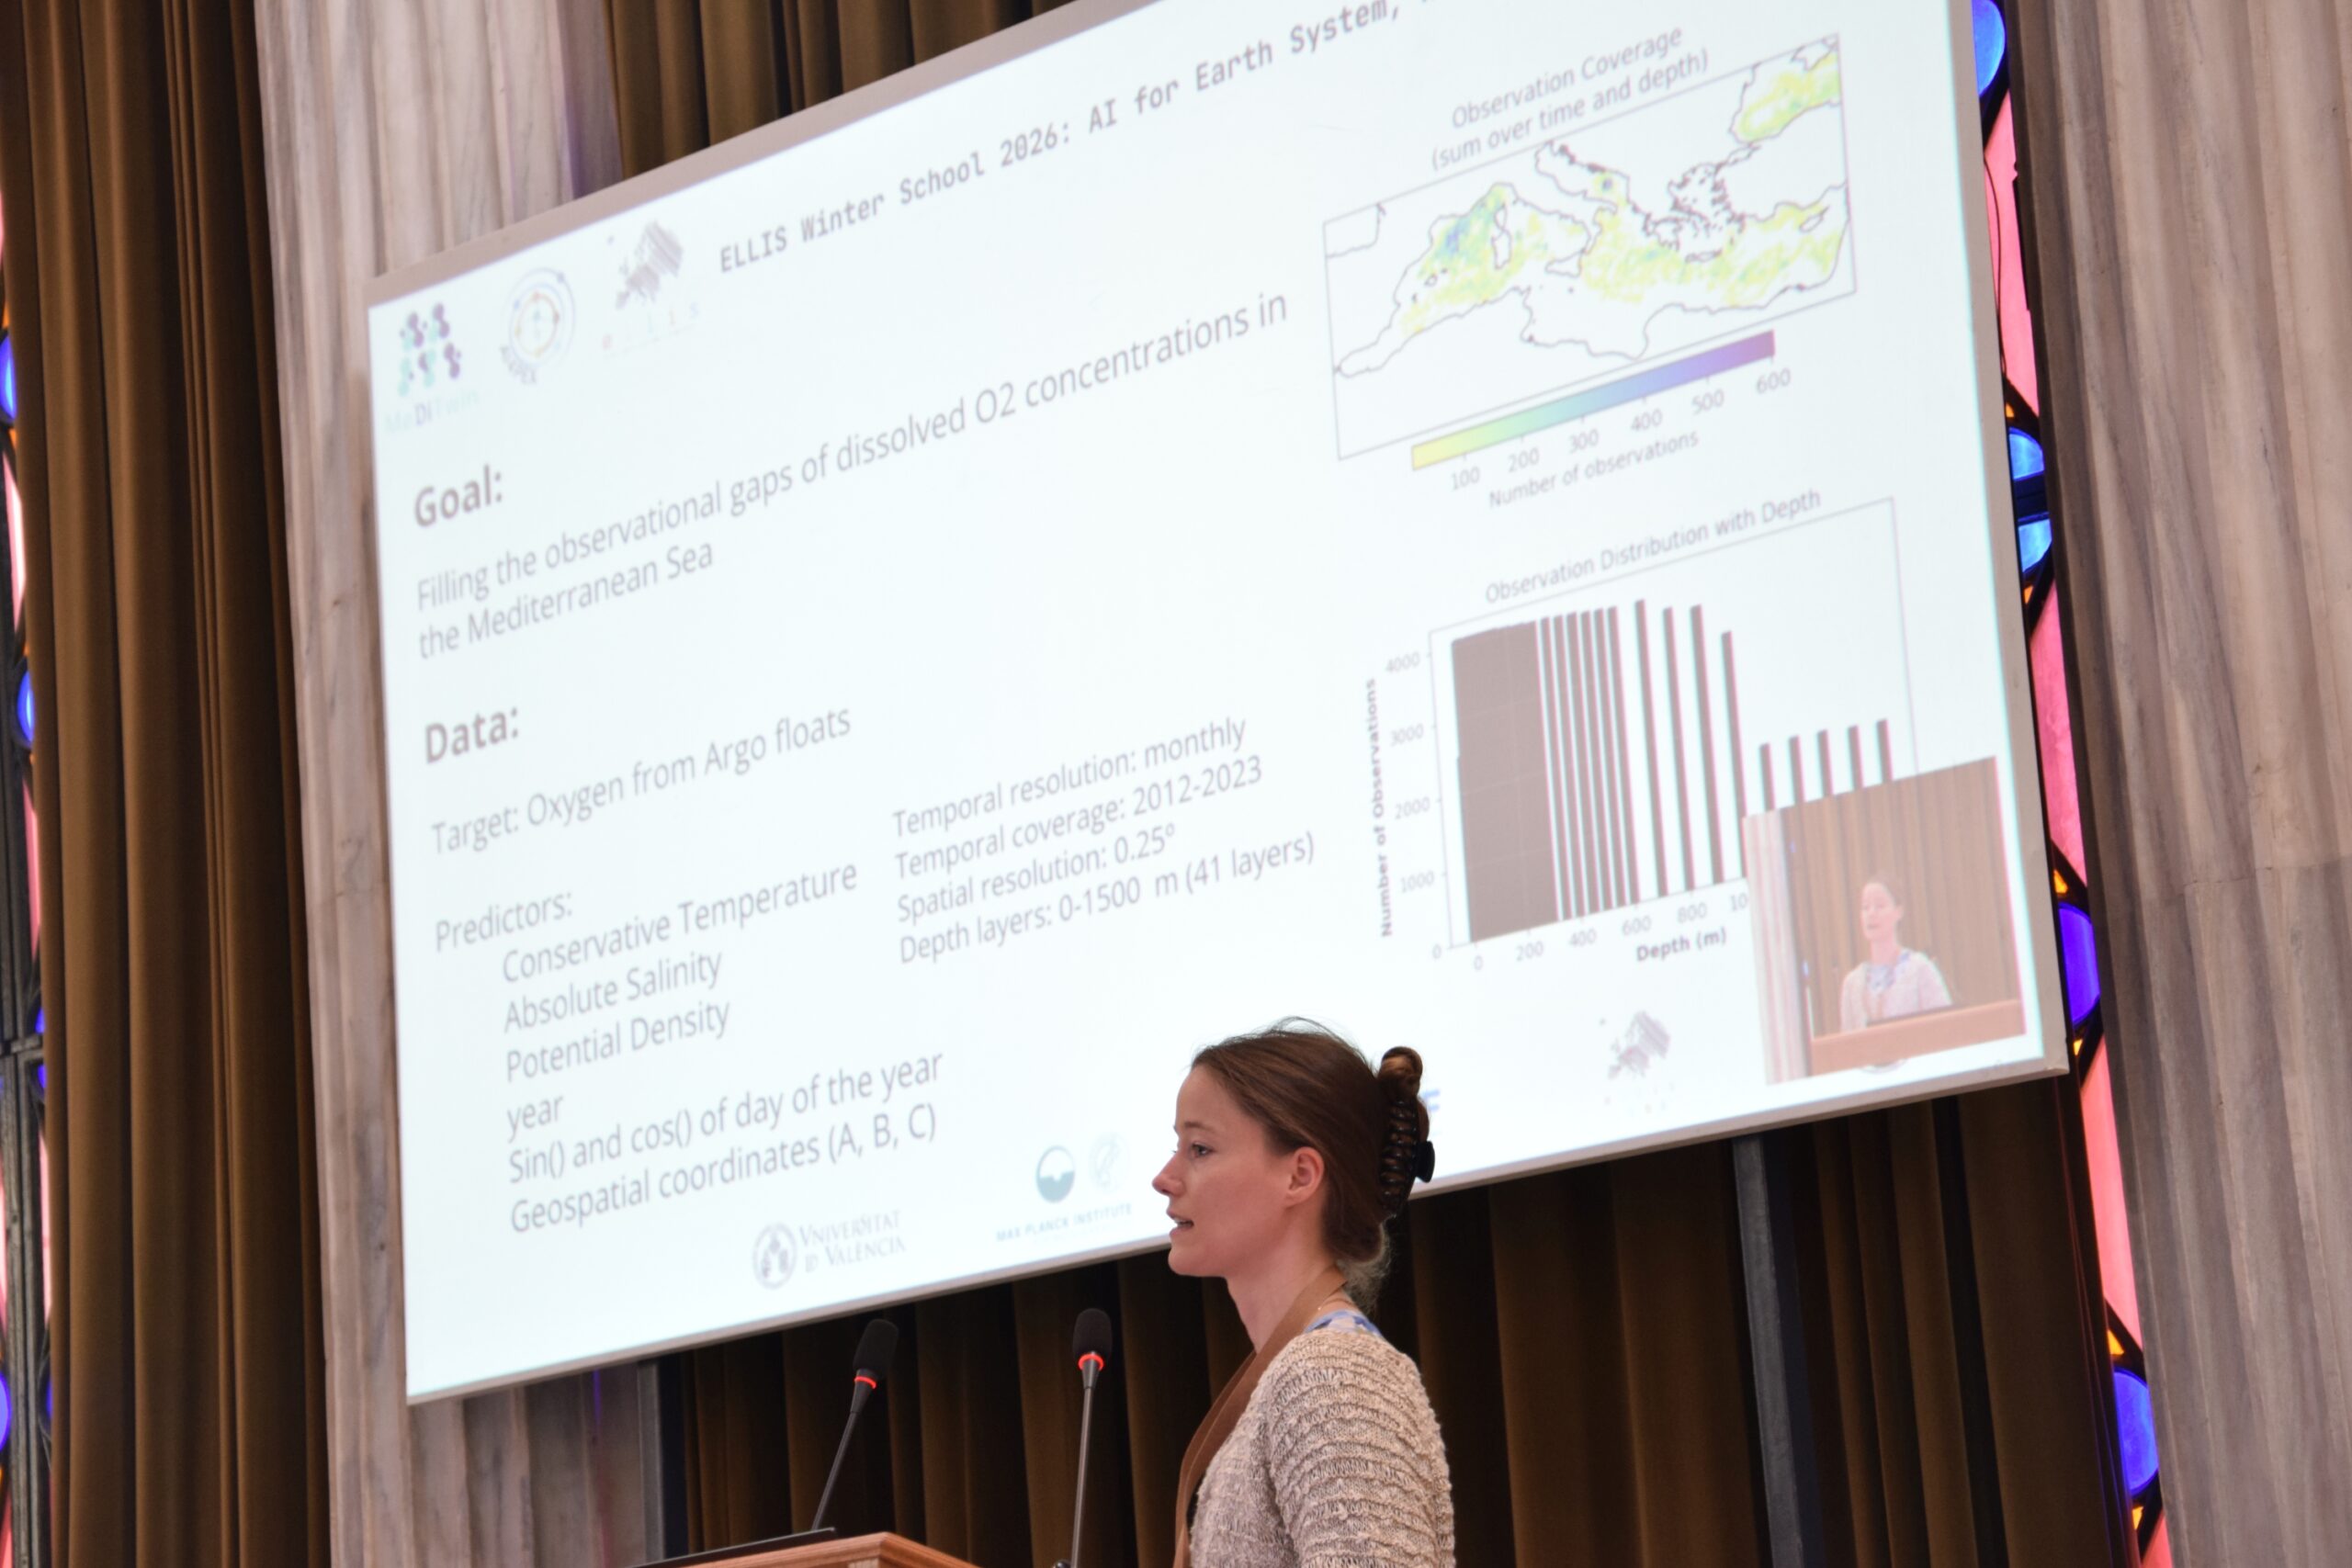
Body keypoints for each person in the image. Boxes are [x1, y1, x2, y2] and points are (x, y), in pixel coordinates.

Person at [1154, 1021, 1453, 1568]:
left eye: (1200, 1148)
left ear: (1300, 1176)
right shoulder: (1306, 1375)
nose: (1164, 1177)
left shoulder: (1332, 1377)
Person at [1839, 874, 1953, 1031]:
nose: (1871, 913)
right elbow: (1847, 1040)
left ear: (1898, 911)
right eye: (1865, 907)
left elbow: (1946, 1027)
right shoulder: (1852, 983)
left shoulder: (1919, 968)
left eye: (1879, 906)